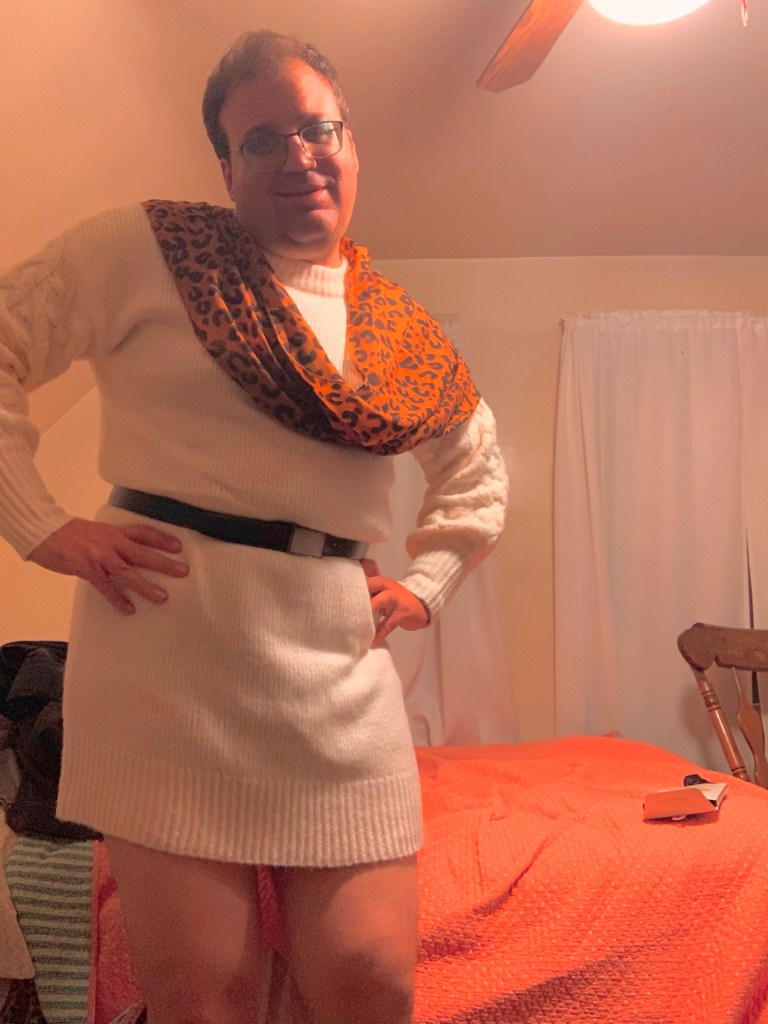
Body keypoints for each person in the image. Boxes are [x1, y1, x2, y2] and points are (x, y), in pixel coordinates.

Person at [0, 29, 508, 1024]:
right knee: (206, 996)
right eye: (262, 139)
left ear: (352, 145)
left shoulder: (400, 328)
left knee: (371, 976)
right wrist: (42, 526)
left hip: (338, 672)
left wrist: (426, 584)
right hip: (164, 661)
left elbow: (477, 470)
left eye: (319, 129)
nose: (298, 155)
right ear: (226, 168)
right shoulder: (141, 250)